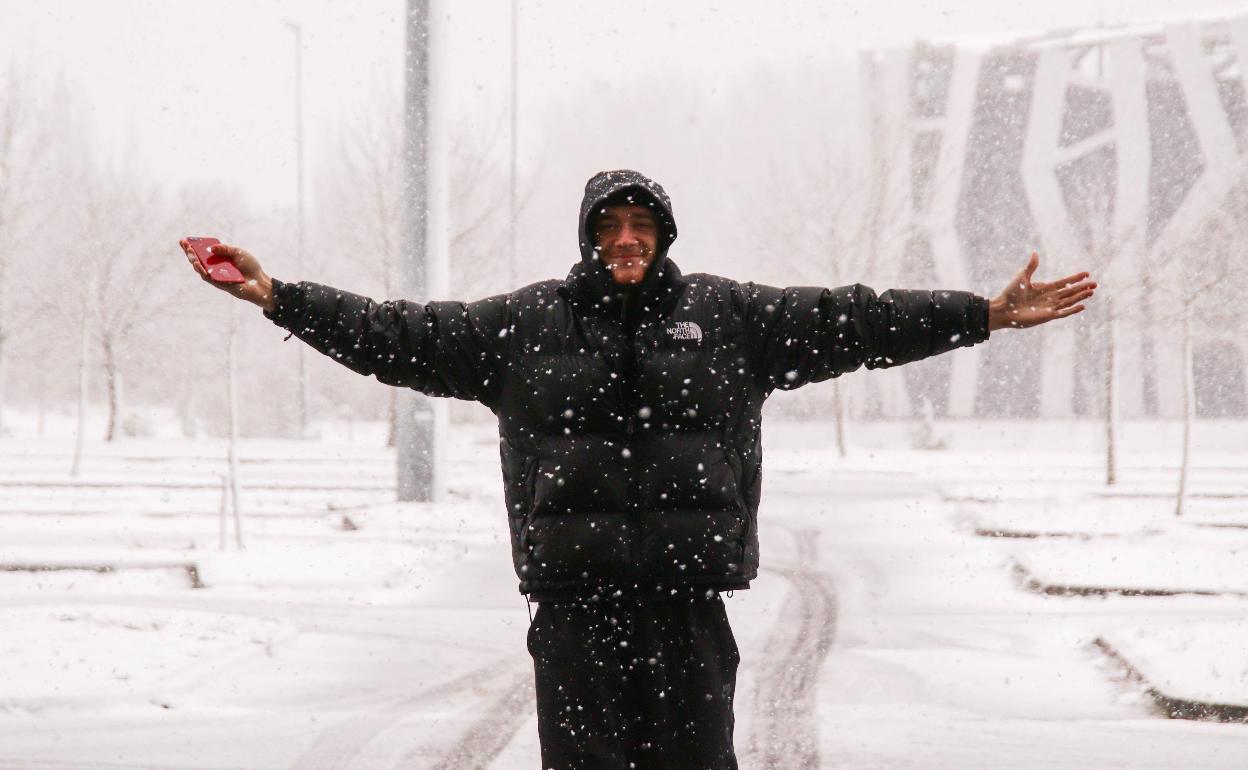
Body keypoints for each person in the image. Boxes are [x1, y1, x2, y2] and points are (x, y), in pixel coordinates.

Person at [180, 169, 1095, 769]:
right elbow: (397, 334)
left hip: (686, 616)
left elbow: (855, 319)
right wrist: (277, 296)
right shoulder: (523, 329)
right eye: (609, 225)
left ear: (663, 234)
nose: (625, 239)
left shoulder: (731, 319)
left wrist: (981, 314)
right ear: (587, 237)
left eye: (640, 224)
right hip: (575, 621)